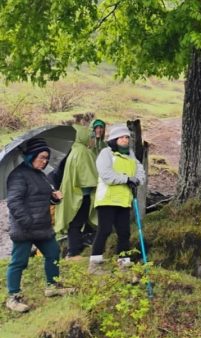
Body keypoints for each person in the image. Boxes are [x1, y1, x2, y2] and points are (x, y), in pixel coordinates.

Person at [6, 138, 75, 312]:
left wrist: (53, 198)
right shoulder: (17, 175)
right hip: (25, 228)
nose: (45, 162)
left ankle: (52, 286)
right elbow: (14, 203)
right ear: (31, 156)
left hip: (42, 227)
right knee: (18, 262)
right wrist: (28, 222)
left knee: (53, 254)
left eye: (47, 158)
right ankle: (13, 297)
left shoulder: (40, 175)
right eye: (42, 157)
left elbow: (41, 197)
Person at [90, 125, 146, 270]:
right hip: (107, 199)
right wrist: (127, 179)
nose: (125, 140)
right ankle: (95, 263)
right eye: (121, 137)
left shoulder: (131, 155)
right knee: (105, 229)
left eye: (127, 137)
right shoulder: (106, 153)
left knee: (124, 232)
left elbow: (140, 173)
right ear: (114, 139)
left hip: (124, 200)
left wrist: (137, 180)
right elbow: (107, 175)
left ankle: (124, 263)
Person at [54, 125, 99, 258]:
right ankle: (74, 252)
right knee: (77, 223)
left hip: (72, 193)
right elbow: (88, 178)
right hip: (82, 195)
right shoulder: (83, 152)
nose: (92, 140)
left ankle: (76, 248)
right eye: (91, 137)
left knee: (75, 222)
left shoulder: (74, 150)